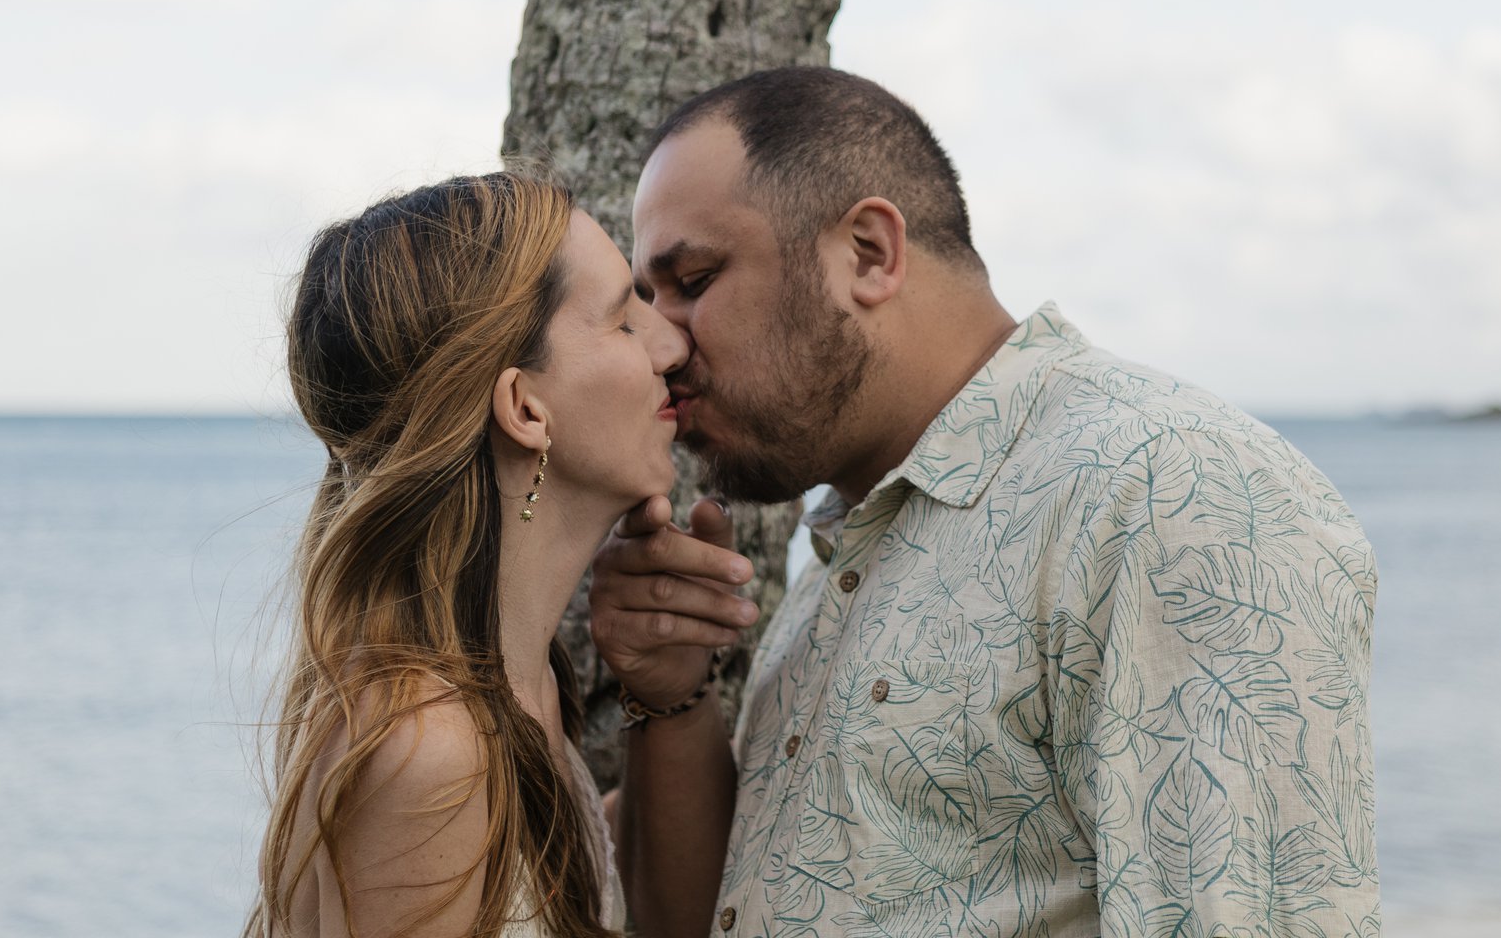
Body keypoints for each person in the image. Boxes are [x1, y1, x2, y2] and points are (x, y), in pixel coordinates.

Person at [590, 67, 1381, 938]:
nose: (660, 344)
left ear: (869, 254)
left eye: (694, 279)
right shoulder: (853, 548)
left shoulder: (1167, 493)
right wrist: (671, 697)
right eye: (647, 301)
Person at [246, 173, 709, 938]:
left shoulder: (518, 695)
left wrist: (669, 696)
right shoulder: (430, 749)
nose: (672, 343)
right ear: (524, 408)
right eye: (624, 320)